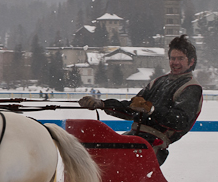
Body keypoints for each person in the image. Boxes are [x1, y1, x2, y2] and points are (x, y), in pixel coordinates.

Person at [77, 35, 202, 166]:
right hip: (134, 137)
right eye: (173, 58)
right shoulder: (158, 82)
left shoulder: (191, 88)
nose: (175, 62)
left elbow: (180, 121)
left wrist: (152, 110)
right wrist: (103, 104)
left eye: (180, 58)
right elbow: (132, 108)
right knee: (96, 153)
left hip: (154, 143)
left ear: (191, 62)